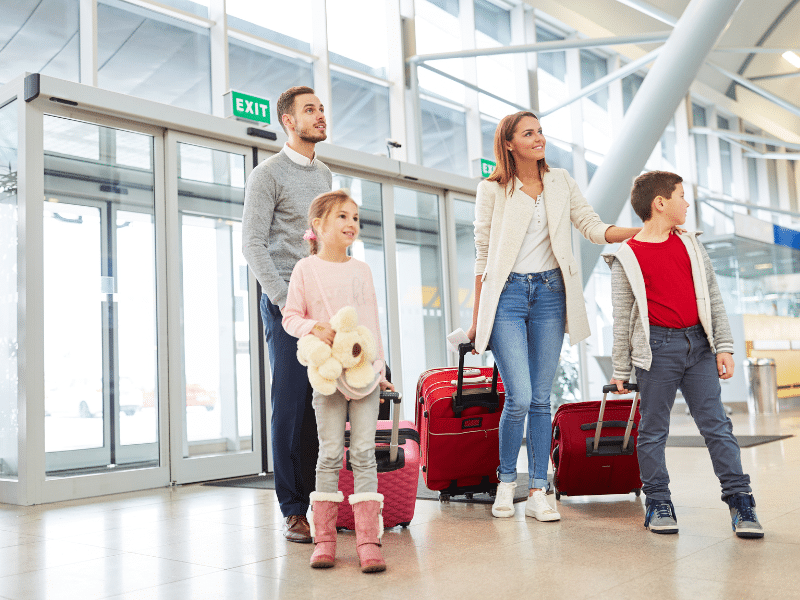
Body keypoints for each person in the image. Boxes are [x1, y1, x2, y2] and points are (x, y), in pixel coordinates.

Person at [467, 111, 640, 521]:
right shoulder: (492, 190)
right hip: (506, 296)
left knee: (542, 400)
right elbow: (482, 257)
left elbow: (591, 226)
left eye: (540, 131)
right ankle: (507, 483)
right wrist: (478, 319)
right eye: (529, 133)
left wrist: (640, 232)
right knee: (520, 397)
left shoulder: (561, 181)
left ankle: (540, 489)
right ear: (509, 143)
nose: (539, 138)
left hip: (549, 294)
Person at [605, 171, 763, 539]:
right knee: (653, 429)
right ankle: (658, 501)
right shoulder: (626, 256)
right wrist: (620, 370)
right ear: (660, 203)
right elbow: (621, 318)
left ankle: (741, 500)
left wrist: (722, 345)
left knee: (717, 426)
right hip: (656, 350)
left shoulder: (691, 244)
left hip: (700, 347)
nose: (687, 203)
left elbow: (713, 297)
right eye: (681, 196)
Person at [283, 190, 395, 572]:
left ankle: (369, 541)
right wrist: (315, 327)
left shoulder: (360, 270)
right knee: (329, 454)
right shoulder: (304, 270)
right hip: (327, 378)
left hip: (363, 377)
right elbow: (290, 317)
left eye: (355, 218)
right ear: (318, 225)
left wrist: (379, 370)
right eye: (342, 217)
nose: (351, 224)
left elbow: (370, 324)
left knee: (364, 454)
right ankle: (325, 540)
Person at [242, 86, 331, 543]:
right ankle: (293, 508)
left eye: (321, 108)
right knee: (292, 405)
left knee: (322, 404)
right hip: (285, 303)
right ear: (288, 121)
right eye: (309, 110)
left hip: (323, 305)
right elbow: (253, 245)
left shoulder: (325, 174)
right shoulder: (267, 175)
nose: (320, 116)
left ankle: (320, 499)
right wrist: (283, 300)